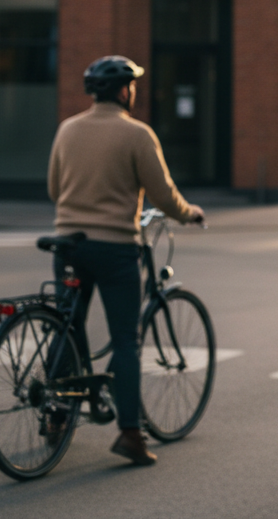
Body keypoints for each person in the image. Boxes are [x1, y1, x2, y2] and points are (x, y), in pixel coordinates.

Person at [47, 55, 205, 466]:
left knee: (66, 326)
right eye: (131, 85)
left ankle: (56, 413)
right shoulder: (137, 135)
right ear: (123, 91)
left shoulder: (67, 130)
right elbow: (162, 194)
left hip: (67, 244)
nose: (133, 90)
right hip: (114, 248)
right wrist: (188, 213)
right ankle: (131, 435)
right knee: (125, 341)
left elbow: (53, 188)